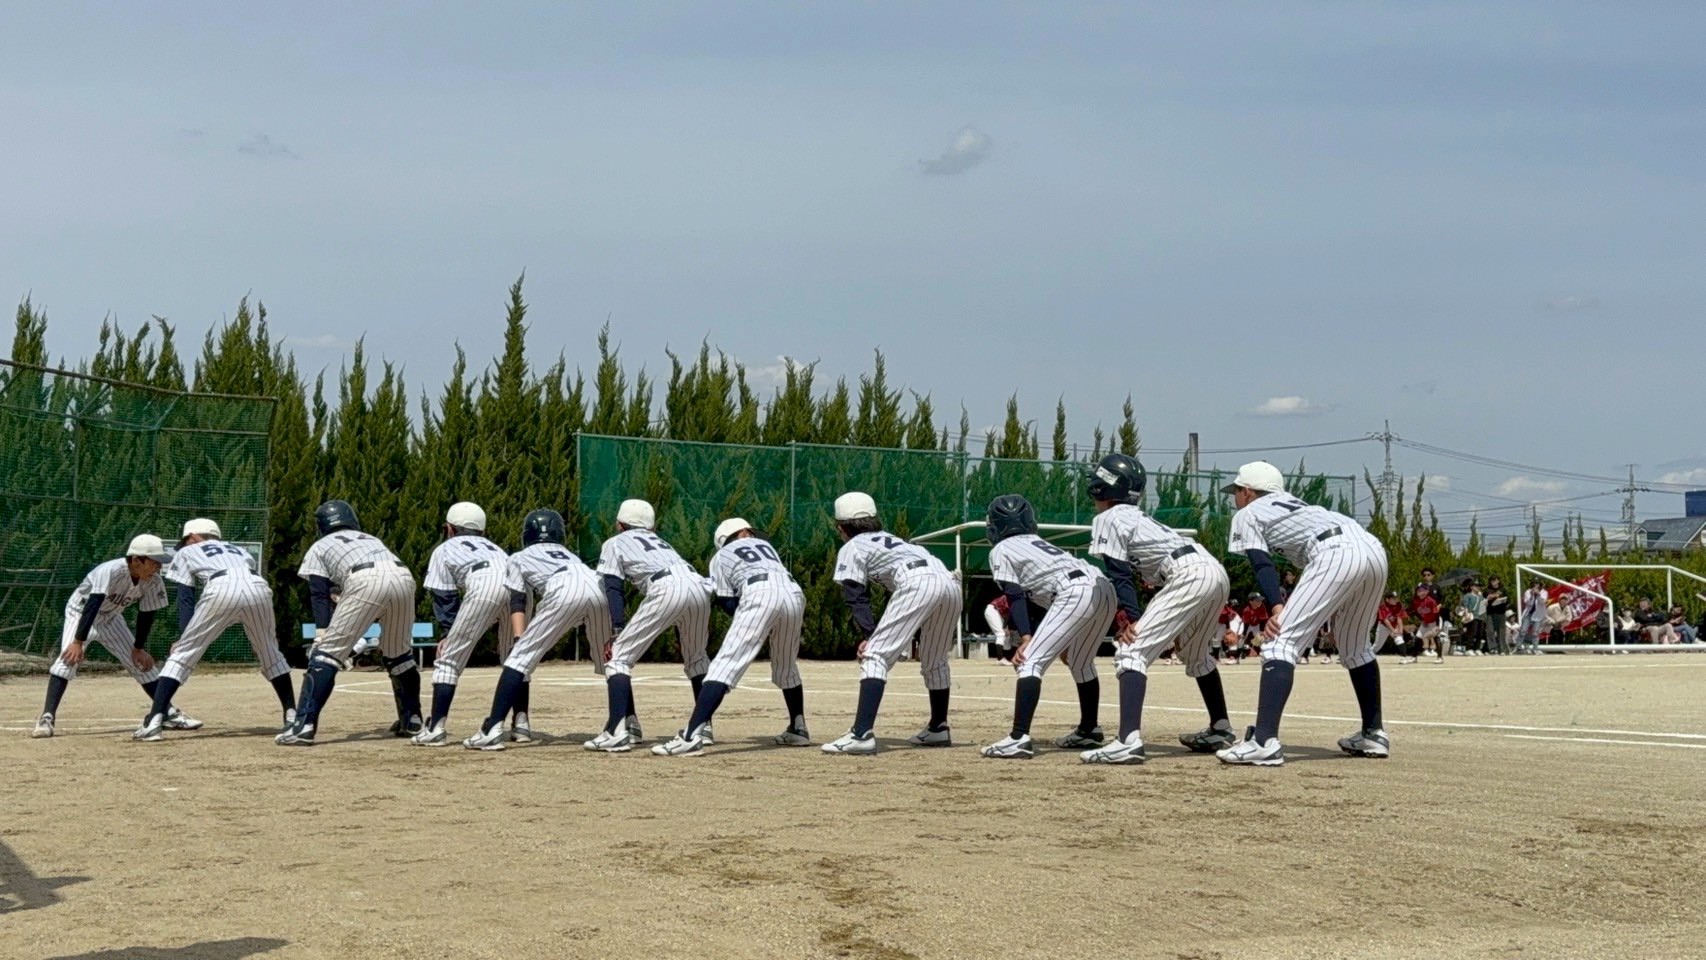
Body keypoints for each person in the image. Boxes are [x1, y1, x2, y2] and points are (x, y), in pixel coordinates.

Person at [1215, 462, 1390, 766]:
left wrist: (1276, 607)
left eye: (1236, 492)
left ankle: (1264, 741)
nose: (1235, 498)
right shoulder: (1301, 507)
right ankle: (1373, 734)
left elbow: (1261, 562)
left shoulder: (1248, 513)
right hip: (1372, 547)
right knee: (1356, 647)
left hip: (1334, 551)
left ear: (1246, 492)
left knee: (1278, 643)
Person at [1078, 453, 1235, 765]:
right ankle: (1221, 728)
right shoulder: (1135, 516)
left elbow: (1118, 572)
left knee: (1130, 653)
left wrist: (1132, 618)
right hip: (1212, 571)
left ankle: (1128, 740)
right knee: (1195, 654)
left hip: (1188, 574)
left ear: (1105, 486)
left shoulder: (1107, 518)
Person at [652, 518, 810, 756]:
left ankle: (691, 735)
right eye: (747, 531)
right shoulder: (768, 549)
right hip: (794, 594)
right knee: (786, 666)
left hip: (759, 593)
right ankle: (798, 728)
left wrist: (752, 623)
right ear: (742, 532)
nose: (751, 534)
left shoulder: (720, 557)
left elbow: (727, 601)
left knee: (723, 666)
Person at [820, 492, 961, 755]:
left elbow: (855, 594)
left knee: (874, 655)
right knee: (936, 660)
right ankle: (938, 728)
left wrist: (869, 635)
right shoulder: (898, 541)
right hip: (950, 581)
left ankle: (861, 734)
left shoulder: (852, 546)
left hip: (918, 582)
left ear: (841, 527)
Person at [978, 495, 1114, 759]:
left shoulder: (1001, 549)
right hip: (1102, 587)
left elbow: (1015, 595)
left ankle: (1018, 738)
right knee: (1080, 661)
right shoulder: (1037, 543)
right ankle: (1089, 730)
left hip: (1074, 590)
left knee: (1029, 662)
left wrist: (1027, 637)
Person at [464, 509, 612, 751]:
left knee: (518, 659)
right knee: (613, 662)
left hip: (565, 587)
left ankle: (492, 729)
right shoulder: (569, 554)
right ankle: (627, 723)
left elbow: (518, 599)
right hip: (596, 585)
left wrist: (518, 637)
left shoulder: (518, 557)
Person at [278, 500, 422, 746]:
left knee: (325, 656)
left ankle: (303, 727)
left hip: (364, 578)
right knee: (399, 655)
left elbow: (319, 593)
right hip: (403, 576)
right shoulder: (371, 538)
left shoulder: (320, 545)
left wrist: (322, 632)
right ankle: (413, 721)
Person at [135, 520, 293, 741]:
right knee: (270, 653)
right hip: (258, 586)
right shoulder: (238, 550)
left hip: (221, 587)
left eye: (186, 540)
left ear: (194, 536)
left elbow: (186, 597)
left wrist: (183, 637)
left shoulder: (189, 551)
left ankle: (154, 720)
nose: (184, 545)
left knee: (181, 656)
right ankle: (292, 715)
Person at [32, 535, 201, 739]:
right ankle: (47, 718)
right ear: (137, 560)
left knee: (141, 665)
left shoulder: (153, 581)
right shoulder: (110, 570)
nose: (158, 567)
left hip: (111, 618)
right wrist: (78, 642)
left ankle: (167, 713)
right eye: (155, 562)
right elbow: (92, 605)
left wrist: (138, 649)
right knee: (68, 660)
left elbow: (147, 615)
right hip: (81, 612)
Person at [584, 499, 712, 752]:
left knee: (618, 658)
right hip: (698, 586)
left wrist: (617, 629)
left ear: (620, 524)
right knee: (697, 659)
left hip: (666, 588)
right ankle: (702, 729)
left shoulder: (615, 542)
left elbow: (613, 586)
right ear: (651, 528)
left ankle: (617, 731)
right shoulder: (663, 544)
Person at [415, 502, 517, 746]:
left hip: (484, 585)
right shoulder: (496, 548)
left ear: (450, 529)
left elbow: (445, 596)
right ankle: (521, 725)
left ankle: (435, 728)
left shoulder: (444, 548)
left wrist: (448, 633)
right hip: (517, 585)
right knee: (515, 659)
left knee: (448, 660)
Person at [1411, 584, 1444, 661]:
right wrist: (1422, 620)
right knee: (1418, 637)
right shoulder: (1416, 601)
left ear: (1427, 591)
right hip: (1425, 621)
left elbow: (1436, 614)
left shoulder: (1431, 601)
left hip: (1435, 620)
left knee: (1436, 637)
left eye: (1422, 590)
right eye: (1418, 590)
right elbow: (1416, 612)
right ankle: (1414, 657)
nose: (1419, 592)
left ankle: (1440, 657)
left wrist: (1437, 626)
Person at [983, 594, 1019, 663]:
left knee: (1007, 635)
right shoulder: (1013, 597)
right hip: (992, 610)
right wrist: (1004, 627)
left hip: (998, 613)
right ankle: (1000, 658)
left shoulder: (1016, 598)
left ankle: (1008, 658)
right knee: (1001, 633)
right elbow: (1007, 614)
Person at [1374, 591, 1408, 660]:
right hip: (1383, 627)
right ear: (1387, 599)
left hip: (1394, 625)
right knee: (1377, 646)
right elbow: (1385, 620)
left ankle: (1404, 657)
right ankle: (1369, 656)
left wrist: (1400, 630)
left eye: (1396, 598)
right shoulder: (1382, 606)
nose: (1396, 599)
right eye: (1393, 598)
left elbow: (1399, 618)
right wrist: (1393, 630)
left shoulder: (1398, 605)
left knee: (1399, 639)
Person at [1517, 583, 1548, 655]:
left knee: (1535, 633)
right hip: (1528, 614)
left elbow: (1542, 602)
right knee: (1523, 631)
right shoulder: (1528, 592)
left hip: (1538, 615)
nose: (1536, 586)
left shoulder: (1544, 592)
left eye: (1537, 584)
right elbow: (1528, 603)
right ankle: (1518, 647)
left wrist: (1538, 595)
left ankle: (1535, 649)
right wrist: (1531, 595)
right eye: (1534, 584)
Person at [1458, 580, 1487, 657]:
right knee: (1472, 633)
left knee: (1480, 633)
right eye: (1475, 586)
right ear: (1471, 587)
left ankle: (1477, 648)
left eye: (1478, 586)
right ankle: (1469, 648)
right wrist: (1466, 613)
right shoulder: (1468, 595)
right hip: (1472, 616)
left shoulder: (1481, 597)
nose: (1478, 587)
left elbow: (1483, 606)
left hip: (1481, 617)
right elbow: (1465, 605)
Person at [1484, 576, 1510, 655]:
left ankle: (1502, 649)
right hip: (1490, 613)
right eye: (1492, 581)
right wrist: (1489, 597)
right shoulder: (1487, 590)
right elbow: (1484, 600)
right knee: (1490, 631)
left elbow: (1508, 600)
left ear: (1498, 580)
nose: (1493, 582)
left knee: (1501, 631)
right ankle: (1492, 648)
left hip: (1501, 612)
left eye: (1495, 580)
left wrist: (1503, 600)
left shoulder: (1503, 589)